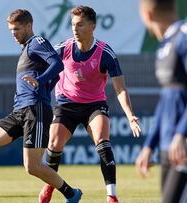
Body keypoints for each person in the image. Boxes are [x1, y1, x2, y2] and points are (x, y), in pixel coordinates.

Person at [0, 9, 82, 203]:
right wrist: (43, 82)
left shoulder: (37, 42)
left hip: (36, 109)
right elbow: (56, 75)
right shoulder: (26, 49)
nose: (13, 34)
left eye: (16, 29)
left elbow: (57, 64)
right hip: (19, 111)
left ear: (28, 26)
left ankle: (71, 194)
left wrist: (40, 81)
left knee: (32, 166)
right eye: (10, 30)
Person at [38, 5, 142, 203]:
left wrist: (130, 116)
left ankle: (111, 195)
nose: (75, 29)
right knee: (53, 144)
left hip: (94, 105)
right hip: (66, 104)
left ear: (93, 26)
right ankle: (49, 184)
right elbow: (44, 68)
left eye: (80, 25)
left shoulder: (105, 53)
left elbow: (120, 89)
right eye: (72, 25)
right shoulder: (63, 48)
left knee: (103, 142)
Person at [135, 0, 187, 202]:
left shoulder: (183, 37)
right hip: (169, 146)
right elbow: (166, 101)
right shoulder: (165, 44)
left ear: (147, 16)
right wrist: (149, 146)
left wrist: (181, 133)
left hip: (181, 145)